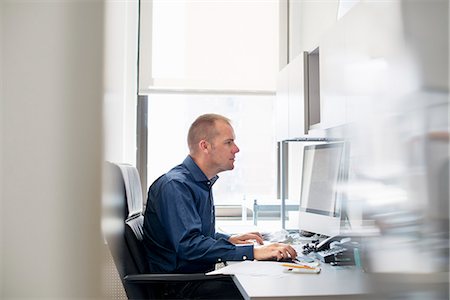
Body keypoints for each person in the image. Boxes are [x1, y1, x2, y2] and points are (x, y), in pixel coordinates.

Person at [143, 113, 297, 299]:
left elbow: (193, 234)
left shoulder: (198, 183)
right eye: (229, 142)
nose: (236, 149)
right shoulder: (176, 186)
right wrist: (253, 251)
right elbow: (189, 246)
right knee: (270, 288)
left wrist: (229, 239)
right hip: (180, 288)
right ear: (205, 146)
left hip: (193, 280)